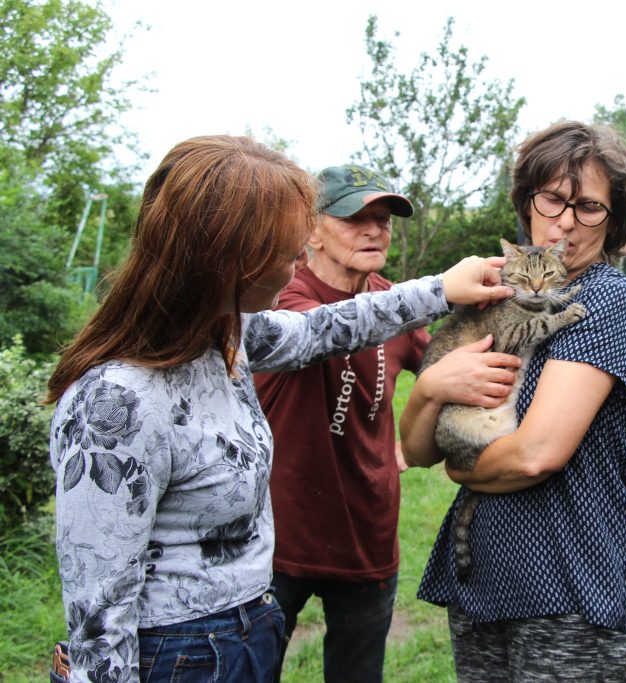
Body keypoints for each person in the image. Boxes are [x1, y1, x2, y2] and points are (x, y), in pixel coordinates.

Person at [45, 135, 513, 683]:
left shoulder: (227, 339)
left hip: (245, 631)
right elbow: (100, 613)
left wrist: (443, 290)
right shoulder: (117, 401)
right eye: (287, 247)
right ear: (227, 255)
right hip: (180, 655)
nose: (299, 258)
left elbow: (328, 327)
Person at [399, 120, 626, 682]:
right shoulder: (493, 293)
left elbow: (534, 454)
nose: (566, 221)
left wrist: (459, 472)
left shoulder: (605, 300)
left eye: (589, 207)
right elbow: (416, 449)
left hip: (569, 583)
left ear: (613, 221)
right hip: (484, 580)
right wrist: (429, 388)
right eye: (553, 199)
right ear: (527, 200)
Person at [252, 163, 521, 682]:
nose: (375, 230)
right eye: (356, 217)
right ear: (312, 229)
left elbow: (446, 371)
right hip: (280, 536)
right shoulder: (284, 301)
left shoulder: (393, 303)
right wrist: (438, 290)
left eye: (385, 219)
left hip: (366, 531)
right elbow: (320, 332)